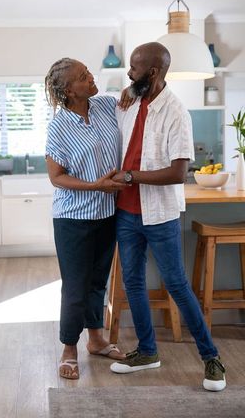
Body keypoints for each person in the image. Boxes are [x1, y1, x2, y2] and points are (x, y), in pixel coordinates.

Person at [109, 42, 226, 392]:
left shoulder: (176, 112)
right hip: (126, 213)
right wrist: (127, 90)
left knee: (176, 285)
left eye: (134, 68)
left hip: (159, 214)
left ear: (154, 72)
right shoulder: (131, 103)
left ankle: (211, 358)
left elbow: (178, 172)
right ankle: (147, 352)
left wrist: (131, 177)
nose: (129, 73)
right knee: (132, 284)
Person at [45, 57, 127, 380]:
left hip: (107, 214)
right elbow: (56, 177)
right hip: (73, 219)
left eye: (88, 70)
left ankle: (95, 339)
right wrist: (96, 185)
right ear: (69, 90)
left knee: (97, 282)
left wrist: (132, 90)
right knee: (75, 286)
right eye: (83, 76)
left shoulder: (106, 106)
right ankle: (69, 348)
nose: (91, 76)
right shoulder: (59, 127)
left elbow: (130, 100)